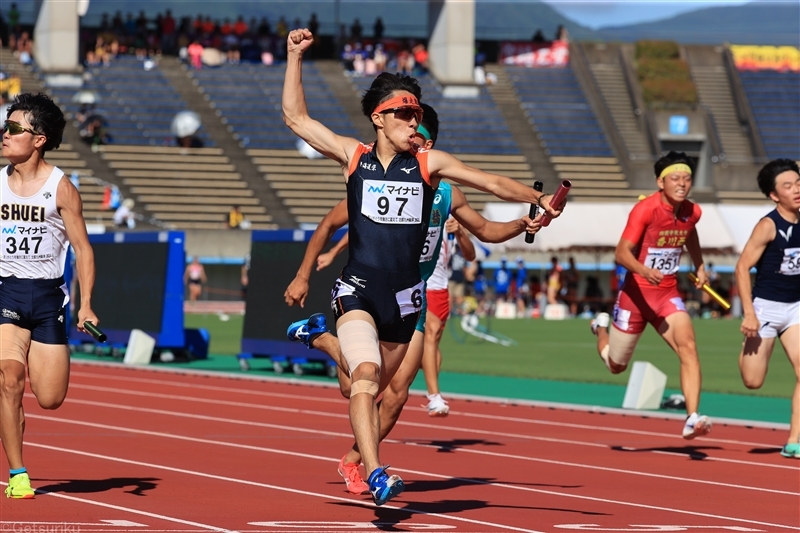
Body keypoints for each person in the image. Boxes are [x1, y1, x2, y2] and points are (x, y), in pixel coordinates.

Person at [281, 28, 562, 506]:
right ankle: (374, 473)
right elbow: (295, 117)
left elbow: (491, 182)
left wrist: (534, 203)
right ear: (379, 118)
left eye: (416, 113)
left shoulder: (432, 167)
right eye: (405, 113)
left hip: (407, 298)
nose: (414, 121)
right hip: (358, 288)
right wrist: (293, 57)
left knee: (372, 385)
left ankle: (321, 339)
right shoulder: (355, 158)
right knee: (366, 377)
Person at [1, 93, 99, 499]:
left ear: (38, 139)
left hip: (47, 300)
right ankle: (18, 473)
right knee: (8, 380)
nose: (5, 135)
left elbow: (84, 250)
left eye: (14, 128)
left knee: (50, 398)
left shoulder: (62, 190)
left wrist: (86, 303)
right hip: (5, 289)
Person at [590, 151, 712, 439]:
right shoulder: (645, 210)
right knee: (616, 365)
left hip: (666, 293)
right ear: (660, 182)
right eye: (675, 179)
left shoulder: (693, 211)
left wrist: (700, 265)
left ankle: (692, 417)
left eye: (687, 179)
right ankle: (600, 328)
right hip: (635, 296)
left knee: (689, 348)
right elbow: (621, 253)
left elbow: (689, 233)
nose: (682, 184)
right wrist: (644, 271)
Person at [734, 159, 800, 458]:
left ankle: (795, 441)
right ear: (774, 195)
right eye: (787, 186)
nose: (796, 190)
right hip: (766, 310)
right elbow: (742, 267)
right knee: (753, 381)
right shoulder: (768, 225)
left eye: (798, 183)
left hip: (796, 308)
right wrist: (749, 313)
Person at [422, 214, 474, 416]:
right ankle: (434, 396)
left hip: (441, 293)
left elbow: (470, 255)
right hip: (419, 287)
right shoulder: (412, 203)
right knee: (430, 335)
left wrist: (460, 232)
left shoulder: (448, 212)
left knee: (432, 354)